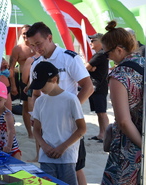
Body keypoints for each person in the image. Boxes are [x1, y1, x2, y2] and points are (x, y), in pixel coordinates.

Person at [26, 22, 94, 185]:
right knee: (48, 171)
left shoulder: (69, 58)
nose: (36, 49)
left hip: (68, 127)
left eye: (39, 44)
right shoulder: (36, 64)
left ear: (49, 38)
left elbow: (88, 87)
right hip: (47, 125)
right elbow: (35, 94)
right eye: (33, 46)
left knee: (75, 169)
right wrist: (35, 114)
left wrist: (71, 110)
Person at [101, 20, 144, 184]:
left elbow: (124, 121)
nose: (108, 58)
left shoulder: (120, 74)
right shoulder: (143, 64)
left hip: (130, 148)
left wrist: (143, 147)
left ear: (119, 50)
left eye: (107, 53)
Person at [31, 61, 86, 185]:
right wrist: (44, 146)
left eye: (42, 85)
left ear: (54, 79)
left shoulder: (71, 99)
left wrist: (63, 147)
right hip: (46, 156)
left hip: (67, 156)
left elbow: (82, 129)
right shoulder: (40, 101)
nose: (40, 89)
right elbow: (36, 129)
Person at [9, 24, 35, 138]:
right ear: (21, 34)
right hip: (24, 81)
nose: (26, 35)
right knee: (26, 107)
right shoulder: (18, 49)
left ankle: (40, 130)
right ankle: (30, 133)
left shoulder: (37, 46)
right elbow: (11, 68)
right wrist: (13, 86)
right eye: (24, 33)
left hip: (38, 80)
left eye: (28, 32)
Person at [0, 81, 21, 160]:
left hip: (12, 149)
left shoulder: (7, 114)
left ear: (5, 99)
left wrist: (8, 146)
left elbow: (11, 131)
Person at [86, 33, 109, 142]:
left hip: (99, 87)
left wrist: (90, 67)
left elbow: (86, 67)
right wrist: (90, 67)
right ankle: (101, 134)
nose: (91, 43)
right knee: (99, 112)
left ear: (100, 42)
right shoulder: (100, 54)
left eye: (93, 40)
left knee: (102, 112)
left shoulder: (100, 55)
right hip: (97, 87)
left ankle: (106, 135)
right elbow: (89, 67)